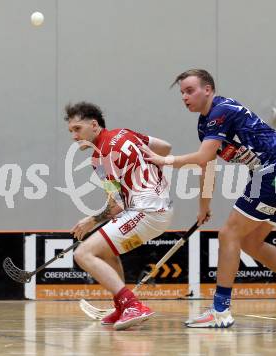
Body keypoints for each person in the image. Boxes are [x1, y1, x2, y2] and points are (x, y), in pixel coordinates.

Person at [142, 69, 276, 328]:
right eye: (182, 93)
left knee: (229, 235)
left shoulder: (221, 111)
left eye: (190, 90)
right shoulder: (205, 123)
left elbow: (203, 157)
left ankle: (220, 310)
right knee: (251, 242)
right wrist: (203, 207)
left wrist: (165, 160)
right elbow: (207, 166)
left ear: (208, 89)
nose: (185, 97)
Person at [65, 101, 173, 330]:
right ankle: (122, 307)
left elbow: (116, 205)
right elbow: (165, 147)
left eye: (77, 129)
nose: (74, 137)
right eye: (71, 131)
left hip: (146, 211)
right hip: (158, 209)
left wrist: (91, 220)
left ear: (94, 125)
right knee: (105, 251)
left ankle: (132, 305)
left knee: (83, 253)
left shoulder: (100, 158)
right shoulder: (125, 133)